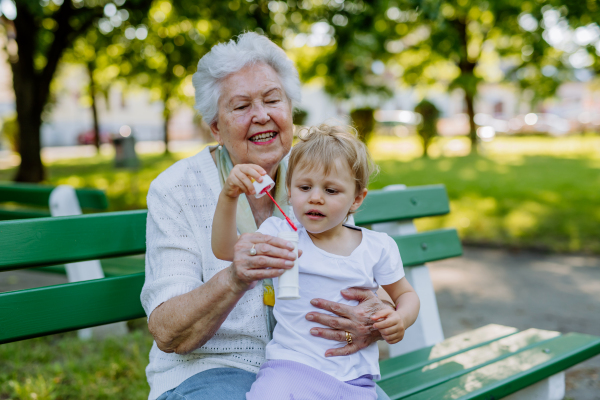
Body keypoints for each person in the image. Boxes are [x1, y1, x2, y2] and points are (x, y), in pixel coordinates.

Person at [141, 32, 402, 400]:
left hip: (316, 369)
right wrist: (234, 277)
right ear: (216, 126)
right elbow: (168, 331)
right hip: (213, 370)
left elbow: (362, 274)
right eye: (241, 105)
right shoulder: (177, 189)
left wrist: (374, 318)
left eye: (272, 99)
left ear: (290, 110)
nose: (261, 115)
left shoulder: (312, 176)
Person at [211, 124, 420, 399]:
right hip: (290, 369)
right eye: (305, 187)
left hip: (354, 377)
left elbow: (405, 294)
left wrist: (400, 318)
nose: (316, 197)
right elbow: (225, 250)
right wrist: (229, 196)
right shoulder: (279, 234)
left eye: (331, 190)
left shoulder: (377, 247)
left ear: (357, 198)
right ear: (289, 188)